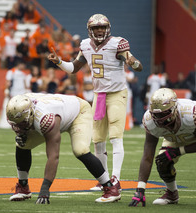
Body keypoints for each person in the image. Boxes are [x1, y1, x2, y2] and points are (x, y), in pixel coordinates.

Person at [48, 14, 143, 195]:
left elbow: (138, 66)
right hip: (99, 95)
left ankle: (116, 178)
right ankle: (104, 179)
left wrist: (133, 62)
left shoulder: (117, 43)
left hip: (116, 94)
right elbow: (74, 68)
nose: (100, 30)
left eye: (102, 27)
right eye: (96, 28)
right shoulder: (85, 45)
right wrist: (59, 62)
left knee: (115, 136)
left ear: (107, 28)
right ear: (90, 30)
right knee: (98, 140)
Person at [7, 93, 121, 204]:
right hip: (60, 111)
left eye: (21, 123)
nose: (17, 127)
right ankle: (23, 187)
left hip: (78, 112)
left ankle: (110, 188)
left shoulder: (45, 119)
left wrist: (45, 188)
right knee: (23, 145)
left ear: (30, 115)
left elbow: (53, 156)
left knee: (80, 150)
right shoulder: (21, 105)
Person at [128, 88, 196, 207]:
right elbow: (148, 154)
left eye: (164, 115)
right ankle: (172, 194)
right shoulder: (150, 120)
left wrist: (179, 151)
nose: (160, 121)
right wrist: (140, 189)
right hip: (174, 139)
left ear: (175, 109)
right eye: (157, 115)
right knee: (162, 160)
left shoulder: (191, 113)